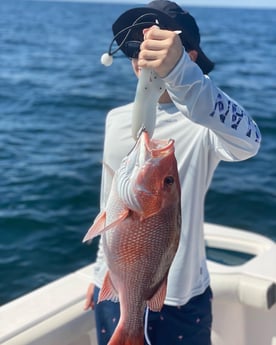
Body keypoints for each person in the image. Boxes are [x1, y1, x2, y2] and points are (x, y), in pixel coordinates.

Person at [84, 1, 261, 344]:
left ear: (189, 55)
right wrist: (98, 274)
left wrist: (181, 74)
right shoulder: (117, 120)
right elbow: (111, 208)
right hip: (116, 288)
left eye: (158, 44)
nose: (142, 54)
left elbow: (249, 141)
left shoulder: (204, 122)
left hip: (183, 300)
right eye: (134, 47)